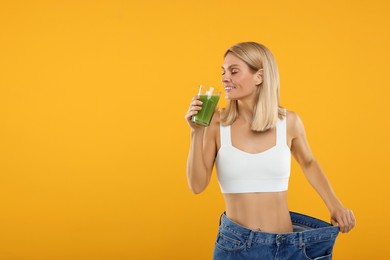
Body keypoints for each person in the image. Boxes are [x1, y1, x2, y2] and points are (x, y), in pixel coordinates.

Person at [184, 42, 356, 259]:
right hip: (236, 247)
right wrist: (196, 132)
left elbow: (309, 163)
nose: (224, 78)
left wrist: (335, 206)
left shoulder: (289, 122)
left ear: (260, 76)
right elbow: (197, 185)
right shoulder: (215, 123)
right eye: (223, 72)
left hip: (290, 247)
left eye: (234, 71)